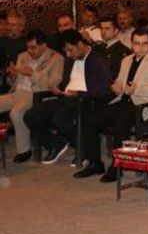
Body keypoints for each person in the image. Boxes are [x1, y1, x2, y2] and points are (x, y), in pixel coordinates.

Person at [74, 29, 148, 181]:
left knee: (120, 120)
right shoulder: (126, 60)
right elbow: (120, 80)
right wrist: (117, 85)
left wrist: (138, 89)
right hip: (123, 101)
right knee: (91, 119)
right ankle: (95, 162)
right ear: (132, 44)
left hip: (142, 106)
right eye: (137, 43)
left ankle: (117, 165)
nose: (141, 47)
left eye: (145, 44)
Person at [24, 30, 113, 164]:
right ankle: (55, 144)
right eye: (66, 51)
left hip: (87, 99)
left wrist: (79, 93)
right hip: (67, 97)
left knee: (59, 117)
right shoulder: (70, 60)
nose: (68, 54)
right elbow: (66, 82)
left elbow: (105, 90)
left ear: (80, 44)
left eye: (70, 50)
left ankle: (83, 146)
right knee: (31, 115)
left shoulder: (97, 60)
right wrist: (57, 88)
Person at [0, 30, 64, 162]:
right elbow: (12, 82)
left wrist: (32, 74)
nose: (30, 51)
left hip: (37, 94)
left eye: (33, 47)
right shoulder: (22, 56)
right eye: (28, 47)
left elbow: (53, 84)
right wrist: (12, 75)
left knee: (16, 112)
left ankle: (24, 150)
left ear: (44, 46)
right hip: (17, 92)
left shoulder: (56, 58)